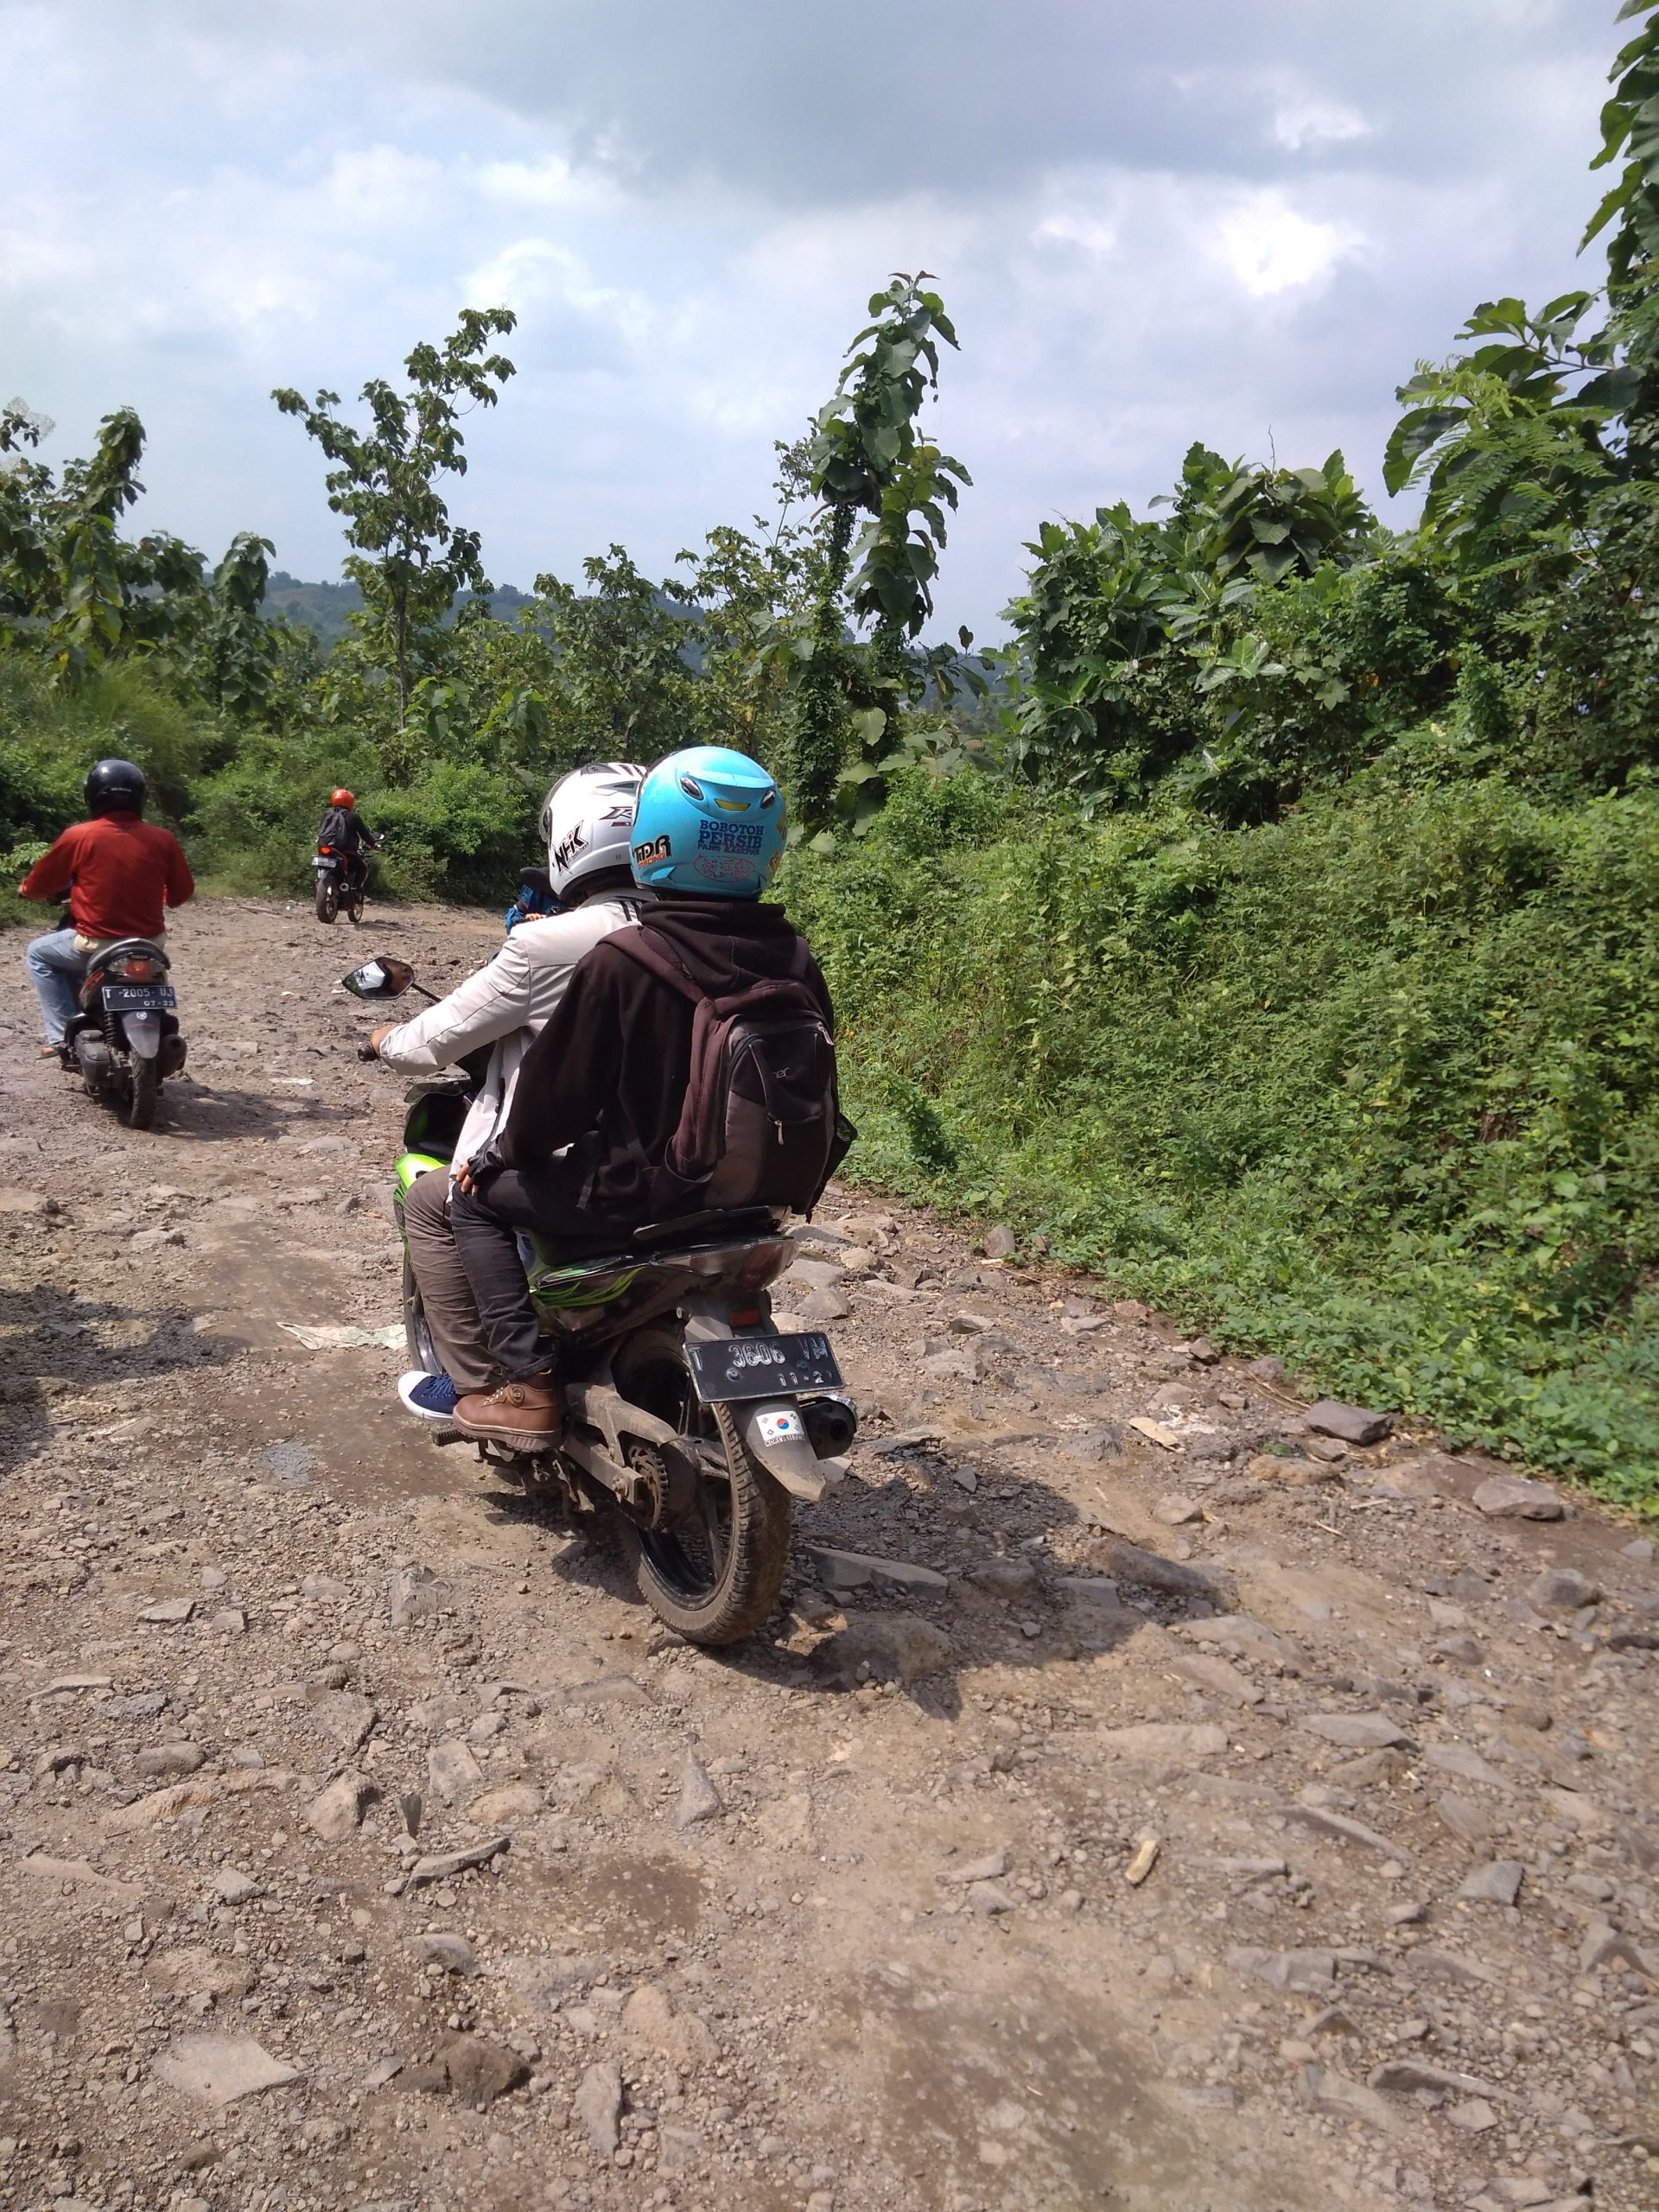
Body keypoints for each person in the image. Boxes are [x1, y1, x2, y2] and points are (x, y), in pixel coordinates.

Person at [444, 743, 837, 1450]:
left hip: (643, 1198)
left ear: (654, 841)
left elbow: (553, 1098)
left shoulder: (628, 957)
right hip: (759, 1198)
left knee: (470, 1201)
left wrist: (503, 1155)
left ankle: (527, 1384)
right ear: (768, 850)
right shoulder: (798, 957)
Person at [369, 762, 649, 1422]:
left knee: (443, 1199)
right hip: (682, 1154)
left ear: (571, 839)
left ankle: (490, 1384)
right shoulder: (696, 928)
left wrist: (384, 1039)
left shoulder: (546, 942)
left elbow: (431, 1041)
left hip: (581, 1165)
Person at [18, 759, 194, 1058]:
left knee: (39, 954)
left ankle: (61, 1036)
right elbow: (182, 893)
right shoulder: (163, 838)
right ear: (140, 796)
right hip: (149, 945)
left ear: (94, 796)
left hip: (95, 945)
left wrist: (26, 891)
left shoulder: (80, 835)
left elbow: (40, 885)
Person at [316, 787, 383, 894]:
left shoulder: (327, 814)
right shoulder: (353, 817)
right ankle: (356, 890)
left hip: (326, 849)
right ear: (350, 802)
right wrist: (373, 844)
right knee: (362, 868)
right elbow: (365, 834)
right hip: (346, 853)